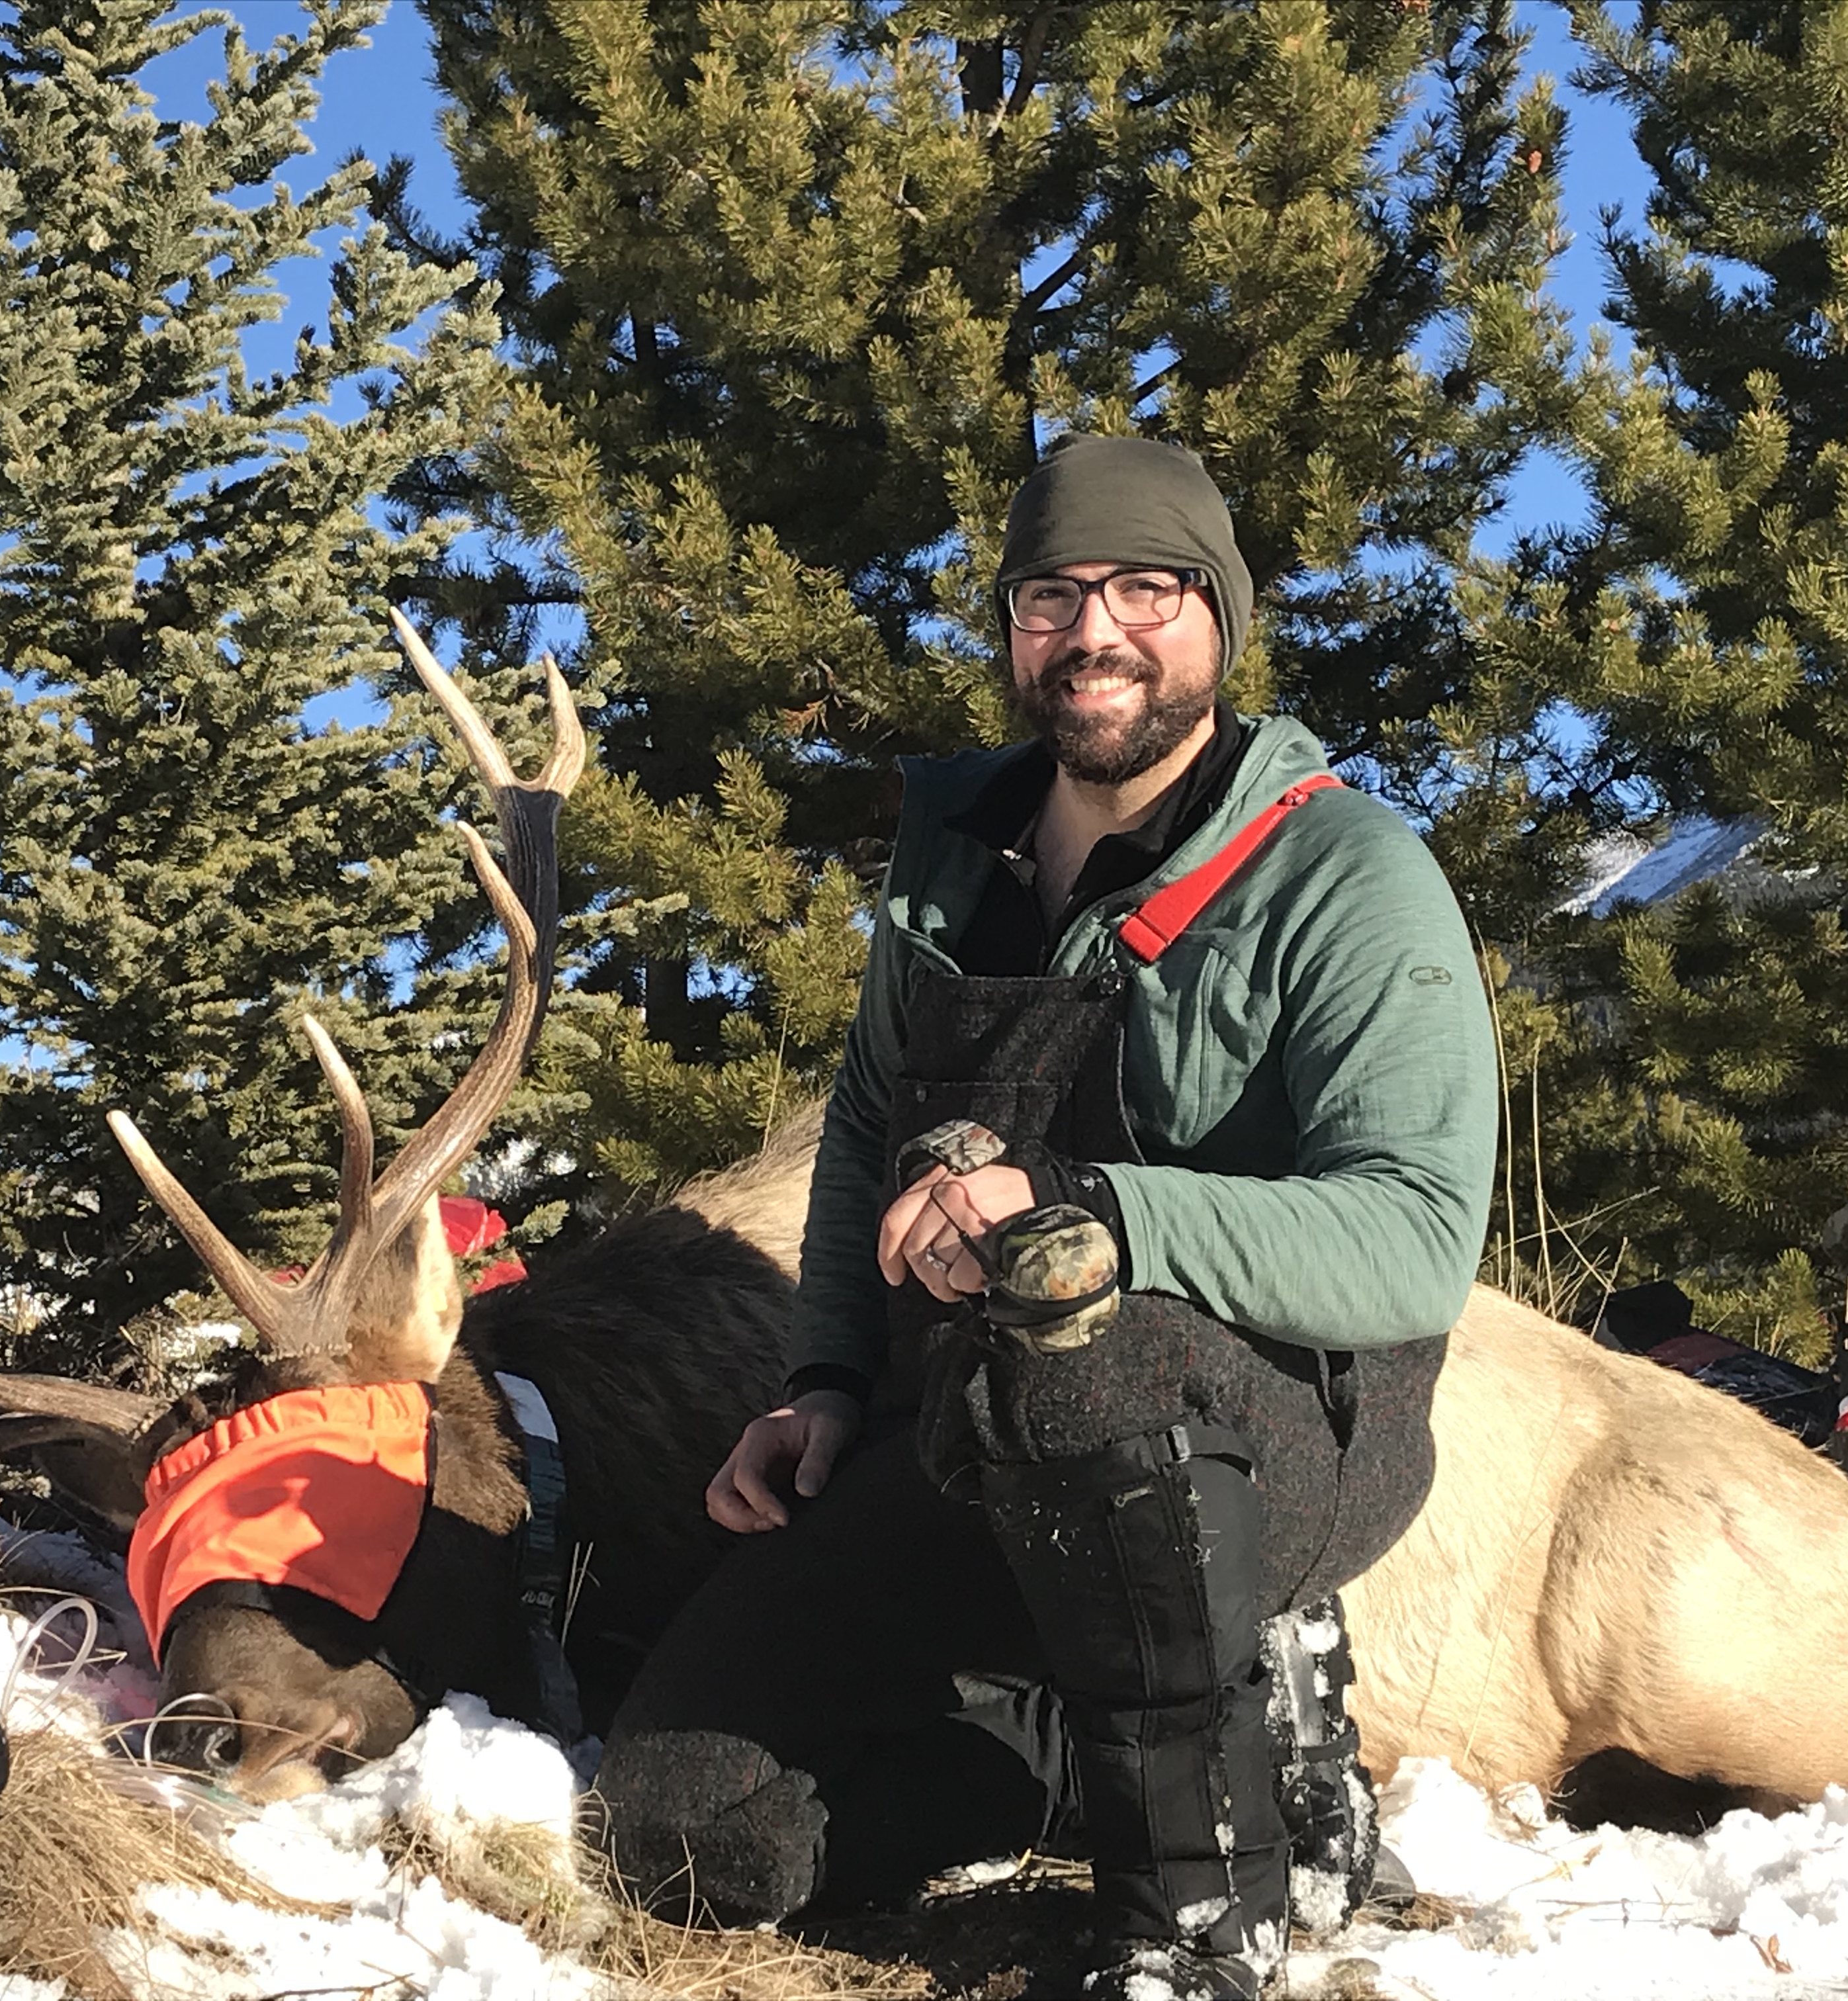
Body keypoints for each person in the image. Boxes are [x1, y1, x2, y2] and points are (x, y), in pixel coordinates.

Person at [593, 434, 1497, 2000]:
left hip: (1275, 1437)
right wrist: (823, 1387)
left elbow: (1413, 1236)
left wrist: (1079, 1204)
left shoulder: (1349, 874)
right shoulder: (951, 869)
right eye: (1052, 594)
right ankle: (1160, 1745)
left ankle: (1198, 1916)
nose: (1096, 631)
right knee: (675, 1827)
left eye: (1150, 588)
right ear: (1012, 628)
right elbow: (870, 1129)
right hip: (974, 1438)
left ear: (1220, 621)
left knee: (1100, 1349)